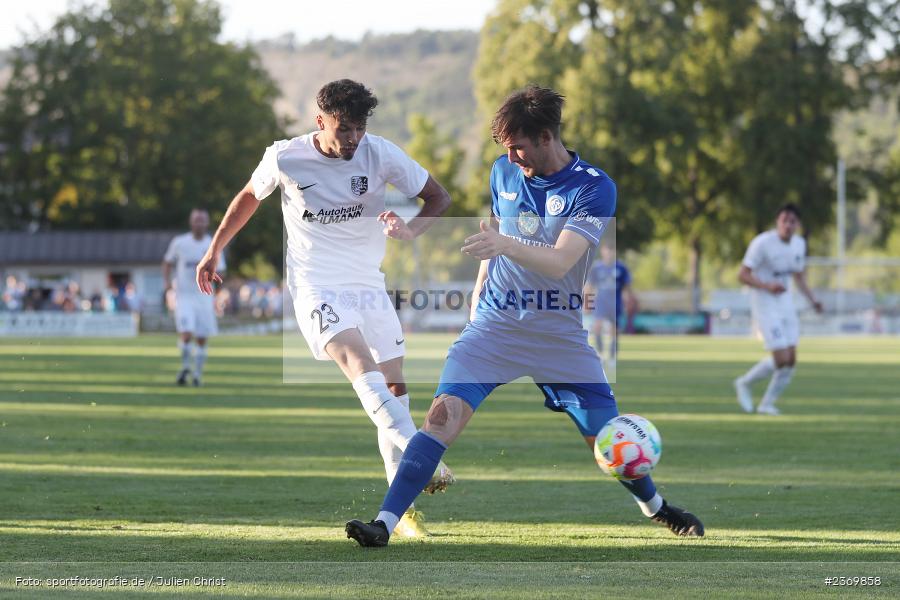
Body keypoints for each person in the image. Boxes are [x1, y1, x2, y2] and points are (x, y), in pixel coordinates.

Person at [346, 85, 704, 547]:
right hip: (493, 328)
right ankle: (384, 524)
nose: (511, 157)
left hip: (558, 335)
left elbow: (560, 261)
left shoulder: (594, 187)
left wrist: (504, 244)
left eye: (518, 146)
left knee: (607, 443)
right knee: (439, 419)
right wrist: (478, 298)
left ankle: (657, 508)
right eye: (506, 148)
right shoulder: (503, 172)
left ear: (546, 136)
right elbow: (493, 236)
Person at [195, 79, 454, 537]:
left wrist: (411, 230)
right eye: (344, 128)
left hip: (368, 283)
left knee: (394, 389)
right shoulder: (285, 157)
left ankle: (401, 507)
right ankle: (422, 454)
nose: (353, 138)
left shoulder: (381, 153)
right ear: (321, 122)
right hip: (316, 286)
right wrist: (215, 249)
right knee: (359, 362)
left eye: (360, 127)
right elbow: (250, 197)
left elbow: (438, 197)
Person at [733, 204, 823, 415]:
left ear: (797, 225)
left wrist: (813, 300)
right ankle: (744, 383)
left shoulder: (799, 244)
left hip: (786, 303)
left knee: (790, 360)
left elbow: (798, 276)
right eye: (784, 220)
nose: (788, 225)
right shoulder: (762, 243)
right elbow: (742, 275)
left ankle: (766, 404)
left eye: (792, 221)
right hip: (765, 304)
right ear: (777, 222)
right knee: (781, 358)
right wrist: (767, 286)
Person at [163, 208, 224, 387]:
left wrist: (219, 294)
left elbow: (222, 271)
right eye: (196, 220)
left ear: (207, 223)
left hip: (205, 297)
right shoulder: (180, 243)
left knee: (202, 337)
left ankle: (197, 375)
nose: (199, 223)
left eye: (202, 220)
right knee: (186, 333)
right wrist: (167, 284)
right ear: (191, 223)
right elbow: (167, 262)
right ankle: (184, 368)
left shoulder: (213, 244)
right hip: (184, 297)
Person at [584, 243, 637, 367]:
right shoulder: (597, 268)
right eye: (607, 250)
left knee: (614, 331)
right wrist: (586, 303)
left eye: (612, 251)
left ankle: (612, 357)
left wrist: (629, 301)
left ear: (615, 252)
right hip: (601, 303)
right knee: (597, 327)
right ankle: (600, 354)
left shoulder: (621, 268)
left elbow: (627, 287)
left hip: (616, 304)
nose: (609, 253)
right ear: (603, 251)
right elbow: (589, 287)